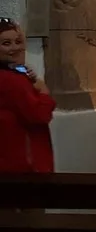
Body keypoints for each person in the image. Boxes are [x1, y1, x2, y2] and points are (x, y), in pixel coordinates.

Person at [0, 18, 56, 174]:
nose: (15, 47)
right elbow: (39, 115)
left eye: (18, 42)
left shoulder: (14, 74)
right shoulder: (10, 80)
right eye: (6, 43)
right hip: (23, 167)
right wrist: (44, 92)